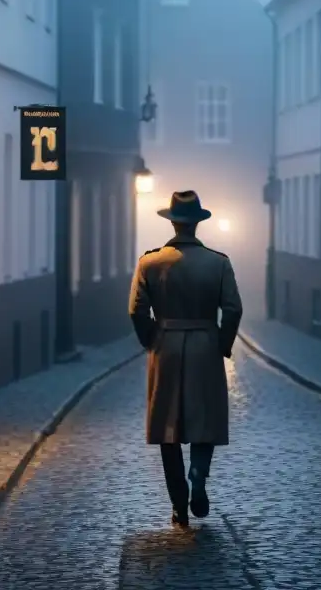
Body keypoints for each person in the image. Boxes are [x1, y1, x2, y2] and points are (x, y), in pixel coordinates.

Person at [128, 190, 243, 527]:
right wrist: (221, 343)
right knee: (204, 421)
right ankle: (198, 476)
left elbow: (136, 309)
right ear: (197, 224)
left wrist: (150, 338)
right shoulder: (218, 262)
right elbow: (233, 308)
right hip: (205, 343)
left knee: (168, 429)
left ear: (173, 222)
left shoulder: (150, 262)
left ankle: (178, 505)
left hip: (165, 345)